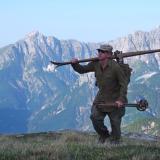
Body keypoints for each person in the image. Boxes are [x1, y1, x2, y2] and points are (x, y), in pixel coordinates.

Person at [71, 44, 128, 144]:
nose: (99, 53)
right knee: (94, 117)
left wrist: (121, 99)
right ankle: (104, 135)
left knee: (115, 124)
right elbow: (82, 70)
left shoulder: (115, 67)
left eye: (102, 52)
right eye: (99, 51)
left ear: (109, 55)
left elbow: (123, 84)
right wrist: (75, 64)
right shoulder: (95, 64)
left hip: (115, 99)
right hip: (101, 98)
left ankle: (115, 140)